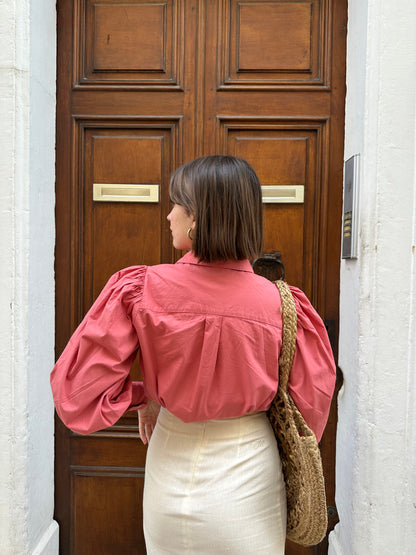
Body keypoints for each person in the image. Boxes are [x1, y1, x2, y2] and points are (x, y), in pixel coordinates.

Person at [51, 155, 336, 554]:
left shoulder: (141, 288)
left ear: (197, 217)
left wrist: (146, 394)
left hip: (170, 464)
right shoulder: (284, 305)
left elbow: (77, 394)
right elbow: (311, 411)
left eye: (176, 205)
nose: (168, 216)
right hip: (249, 473)